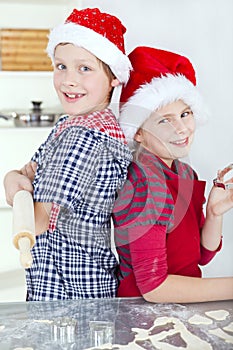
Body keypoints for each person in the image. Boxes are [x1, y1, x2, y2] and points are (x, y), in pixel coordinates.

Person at [4, 8, 133, 300]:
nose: (68, 80)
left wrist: (13, 186)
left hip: (70, 295)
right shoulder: (73, 124)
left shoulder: (84, 137)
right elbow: (29, 173)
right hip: (79, 286)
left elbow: (36, 221)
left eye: (84, 68)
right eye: (61, 66)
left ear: (114, 78)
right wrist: (15, 177)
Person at [113, 46, 233, 303]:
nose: (181, 129)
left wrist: (213, 214)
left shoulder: (185, 172)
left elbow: (201, 256)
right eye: (164, 120)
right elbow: (154, 287)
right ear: (138, 132)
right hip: (144, 320)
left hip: (182, 308)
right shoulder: (144, 186)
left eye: (184, 114)